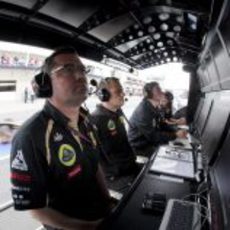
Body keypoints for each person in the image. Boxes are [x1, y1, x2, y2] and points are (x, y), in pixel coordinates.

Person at [10, 47, 113, 230]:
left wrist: (109, 204)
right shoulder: (30, 136)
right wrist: (88, 227)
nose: (80, 75)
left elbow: (95, 165)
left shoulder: (86, 122)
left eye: (82, 69)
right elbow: (35, 209)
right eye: (68, 68)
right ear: (45, 84)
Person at [90, 77, 139, 192]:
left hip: (128, 168)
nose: (123, 94)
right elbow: (104, 161)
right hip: (116, 177)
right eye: (118, 91)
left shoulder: (116, 113)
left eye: (122, 90)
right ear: (104, 95)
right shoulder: (97, 120)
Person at [128, 82, 187, 157]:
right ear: (149, 94)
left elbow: (162, 125)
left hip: (150, 142)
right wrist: (175, 135)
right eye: (158, 90)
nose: (162, 92)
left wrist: (176, 130)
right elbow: (152, 136)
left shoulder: (154, 108)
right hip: (141, 147)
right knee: (170, 156)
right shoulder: (143, 110)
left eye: (160, 89)